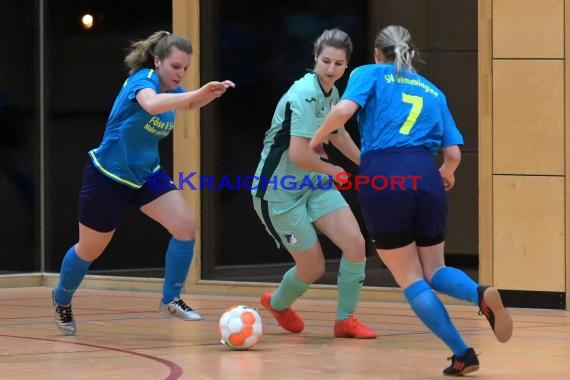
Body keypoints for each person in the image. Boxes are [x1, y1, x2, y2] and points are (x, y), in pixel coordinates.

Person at [309, 25, 513, 375]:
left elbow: (343, 110)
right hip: (425, 174)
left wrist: (318, 138)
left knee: (409, 277)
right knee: (435, 269)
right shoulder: (433, 90)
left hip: (385, 172)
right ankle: (479, 292)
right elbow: (452, 153)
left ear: (377, 52)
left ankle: (463, 350)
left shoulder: (368, 73)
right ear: (409, 52)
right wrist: (446, 173)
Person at [51, 31, 235, 336]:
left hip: (146, 174)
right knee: (89, 250)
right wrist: (194, 93)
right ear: (159, 60)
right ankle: (61, 297)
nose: (181, 73)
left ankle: (170, 299)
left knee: (185, 226)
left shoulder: (171, 89)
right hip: (108, 175)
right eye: (176, 66)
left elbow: (186, 105)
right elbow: (151, 105)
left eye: (186, 68)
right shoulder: (143, 79)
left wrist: (209, 93)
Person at [251, 28, 376, 339]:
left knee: (355, 245)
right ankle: (278, 304)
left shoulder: (330, 92)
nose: (331, 69)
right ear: (314, 59)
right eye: (325, 61)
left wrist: (369, 165)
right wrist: (334, 171)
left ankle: (345, 321)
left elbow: (338, 134)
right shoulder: (303, 94)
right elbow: (298, 153)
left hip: (313, 183)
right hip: (278, 193)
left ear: (346, 66)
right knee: (313, 268)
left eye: (338, 63)